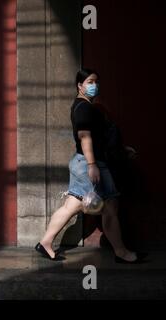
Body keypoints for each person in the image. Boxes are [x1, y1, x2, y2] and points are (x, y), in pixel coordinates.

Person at [35, 69, 146, 263]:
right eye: (90, 81)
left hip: (82, 161)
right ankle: (121, 252)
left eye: (96, 81)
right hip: (89, 163)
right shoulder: (83, 108)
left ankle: (45, 243)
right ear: (80, 85)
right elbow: (84, 136)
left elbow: (97, 138)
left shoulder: (84, 106)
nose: (95, 85)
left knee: (72, 205)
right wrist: (92, 164)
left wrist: (120, 150)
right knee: (110, 206)